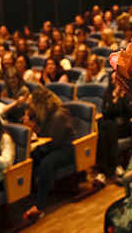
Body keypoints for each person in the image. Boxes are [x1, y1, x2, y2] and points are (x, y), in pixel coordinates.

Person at [22, 87, 76, 220]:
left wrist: (36, 132)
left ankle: (39, 205)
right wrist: (34, 128)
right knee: (31, 157)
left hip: (65, 150)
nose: (32, 108)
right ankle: (30, 194)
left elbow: (53, 142)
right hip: (53, 148)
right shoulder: (48, 114)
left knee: (46, 163)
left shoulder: (59, 115)